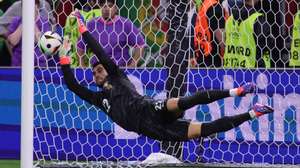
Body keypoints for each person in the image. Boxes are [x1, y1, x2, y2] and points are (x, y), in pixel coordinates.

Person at [57, 11, 274, 141]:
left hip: (150, 108)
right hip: (154, 129)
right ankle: (252, 114)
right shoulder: (98, 99)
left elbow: (100, 52)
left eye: (99, 69)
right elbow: (73, 85)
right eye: (94, 72)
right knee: (206, 129)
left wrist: (83, 28)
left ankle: (235, 91)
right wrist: (64, 57)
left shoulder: (118, 76)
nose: (96, 73)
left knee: (186, 101)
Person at [76, 0, 145, 67]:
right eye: (104, 6)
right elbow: (80, 46)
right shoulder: (91, 24)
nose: (107, 9)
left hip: (120, 68)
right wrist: (81, 66)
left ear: (116, 8)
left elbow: (140, 45)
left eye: (110, 6)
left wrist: (133, 64)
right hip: (99, 69)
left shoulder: (125, 24)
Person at [223, 0, 272, 68]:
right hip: (250, 74)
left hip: (229, 72)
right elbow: (263, 53)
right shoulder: (258, 20)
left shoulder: (230, 19)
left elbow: (225, 44)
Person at [6, 0, 52, 67]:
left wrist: (32, 22)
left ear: (37, 7)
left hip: (39, 65)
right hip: (19, 64)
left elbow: (42, 43)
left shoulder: (44, 23)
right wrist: (23, 23)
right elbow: (13, 42)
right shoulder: (16, 21)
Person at [64, 0, 102, 67]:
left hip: (73, 64)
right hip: (95, 66)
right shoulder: (99, 14)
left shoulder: (71, 16)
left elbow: (66, 41)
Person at [193, 0, 227, 67]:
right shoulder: (215, 7)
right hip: (214, 62)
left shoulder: (204, 5)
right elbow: (222, 40)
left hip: (201, 57)